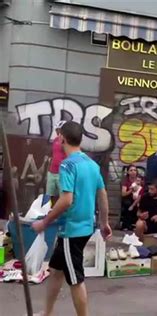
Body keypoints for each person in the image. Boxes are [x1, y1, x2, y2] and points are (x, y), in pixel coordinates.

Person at [32, 121, 112, 316]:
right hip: (83, 228)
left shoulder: (67, 165)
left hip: (72, 231)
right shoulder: (92, 164)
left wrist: (45, 221)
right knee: (56, 271)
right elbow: (102, 194)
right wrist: (104, 223)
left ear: (62, 138)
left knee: (75, 279)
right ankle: (47, 312)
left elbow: (66, 200)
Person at [46, 120, 67, 205]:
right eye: (57, 130)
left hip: (62, 172)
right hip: (52, 171)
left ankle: (61, 215)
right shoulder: (55, 140)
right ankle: (47, 211)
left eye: (59, 130)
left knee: (63, 196)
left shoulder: (67, 142)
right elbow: (54, 153)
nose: (57, 132)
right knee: (49, 195)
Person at [120, 165, 142, 231]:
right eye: (131, 170)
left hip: (138, 198)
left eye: (135, 170)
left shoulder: (139, 180)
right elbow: (123, 194)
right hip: (128, 198)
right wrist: (131, 190)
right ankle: (126, 225)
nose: (133, 172)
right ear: (128, 172)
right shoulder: (125, 181)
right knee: (128, 204)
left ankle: (136, 224)